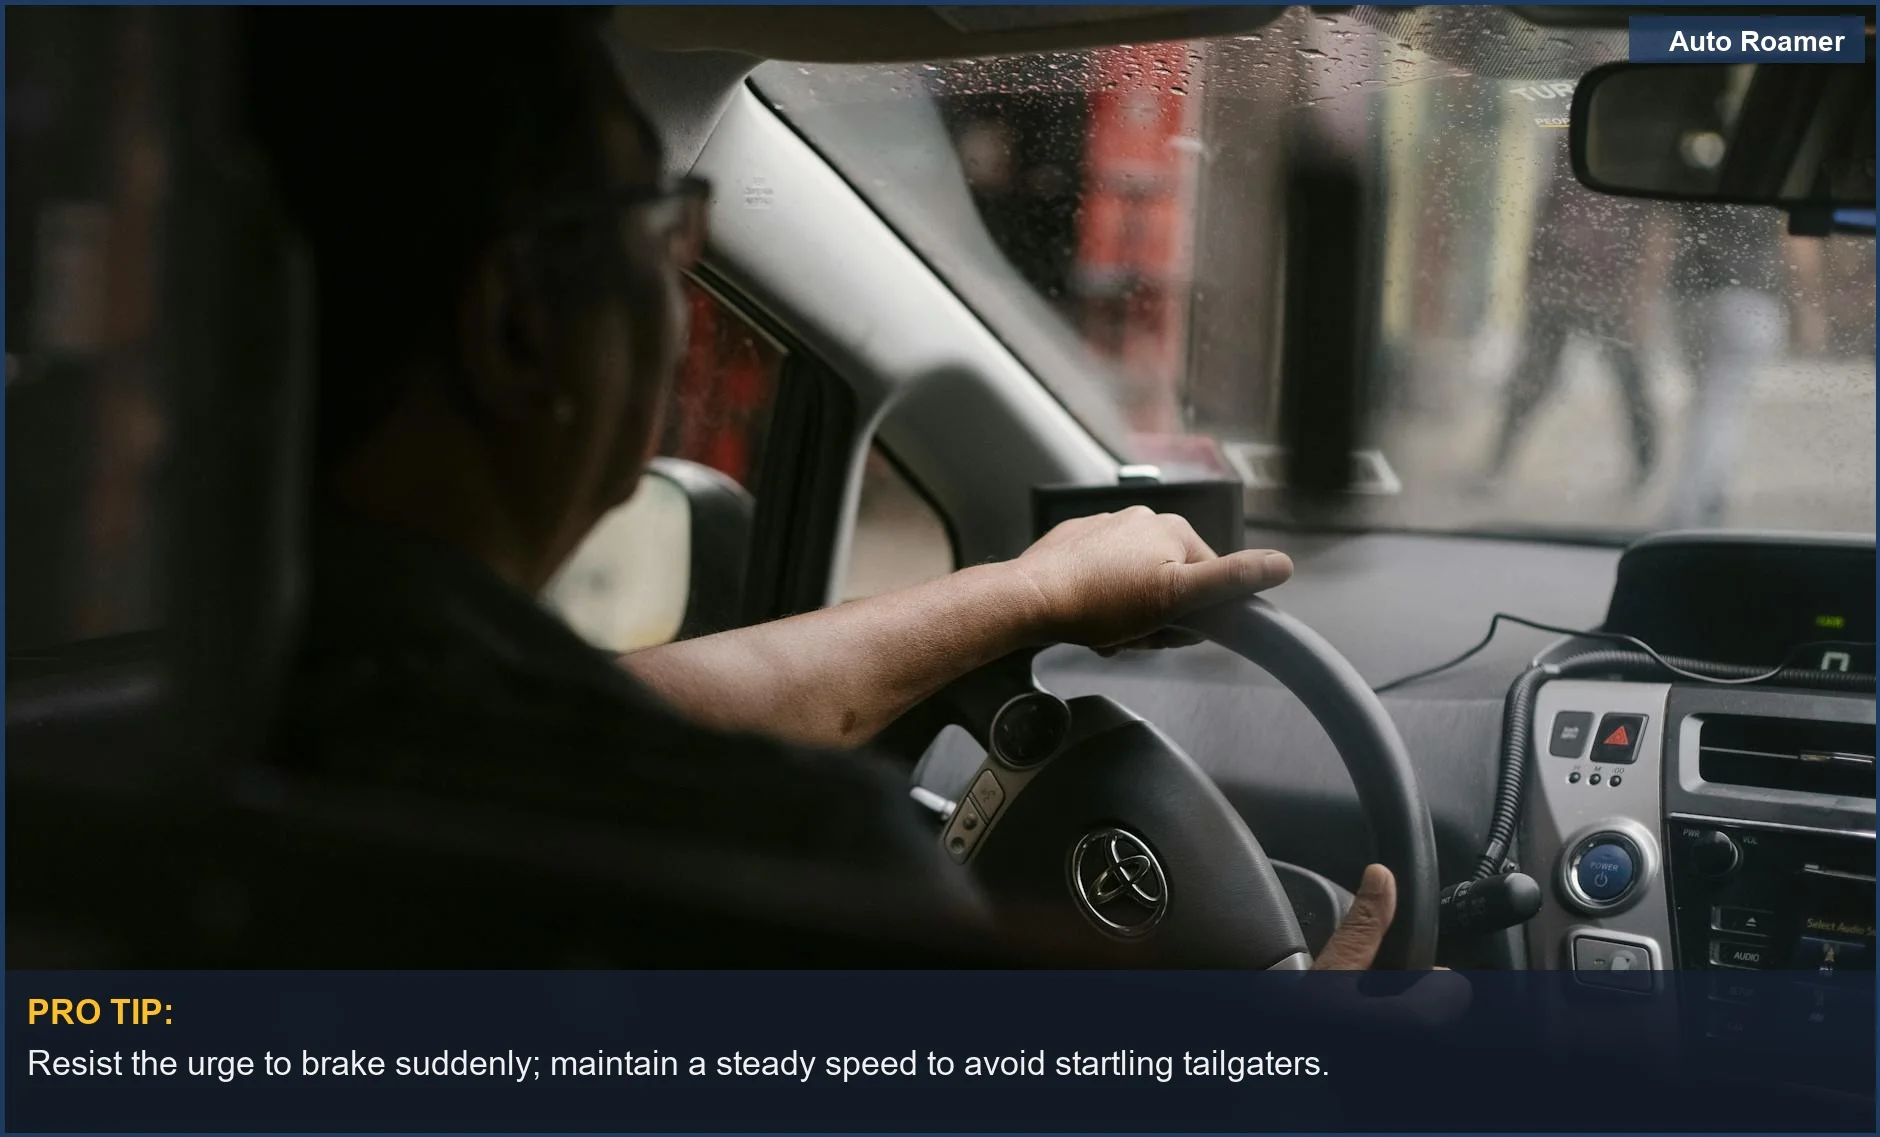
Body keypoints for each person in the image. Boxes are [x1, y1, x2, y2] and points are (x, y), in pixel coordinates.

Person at [250, 9, 1402, 968]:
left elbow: (631, 707)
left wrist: (1027, 596)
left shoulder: (223, 700)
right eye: (666, 231)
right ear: (512, 326)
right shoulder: (789, 876)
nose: (685, 287)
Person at [1481, 129, 1659, 490]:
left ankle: (1644, 470)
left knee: (1631, 384)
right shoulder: (1568, 140)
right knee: (1531, 379)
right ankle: (1497, 464)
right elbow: (1546, 205)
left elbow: (1654, 227)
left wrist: (1638, 297)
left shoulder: (1641, 150)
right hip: (1557, 287)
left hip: (1611, 290)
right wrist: (1531, 275)